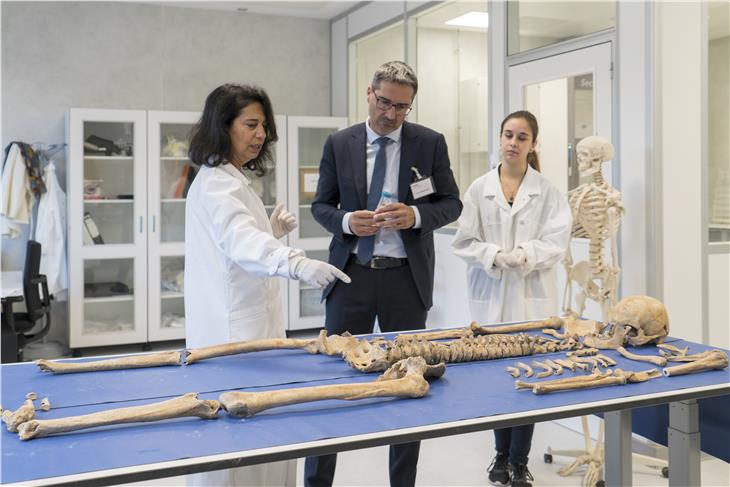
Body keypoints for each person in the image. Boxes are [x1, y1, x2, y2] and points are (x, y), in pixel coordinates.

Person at [184, 83, 350, 486]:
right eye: (251, 125)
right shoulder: (217, 184)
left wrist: (270, 232)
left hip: (247, 329)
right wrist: (295, 261)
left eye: (264, 126)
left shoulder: (228, 179)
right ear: (222, 127)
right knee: (240, 445)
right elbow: (240, 241)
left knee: (258, 438)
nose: (261, 135)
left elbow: (237, 246)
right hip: (236, 338)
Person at [306, 61, 462, 487]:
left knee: (410, 382)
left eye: (403, 107)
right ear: (369, 94)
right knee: (331, 385)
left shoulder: (429, 143)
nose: (391, 114)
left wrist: (414, 214)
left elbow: (451, 203)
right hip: (352, 276)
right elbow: (321, 205)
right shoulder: (340, 143)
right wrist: (344, 223)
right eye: (385, 103)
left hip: (404, 282)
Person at [452, 110, 572, 487]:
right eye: (508, 135)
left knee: (528, 379)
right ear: (499, 139)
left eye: (522, 137)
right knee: (495, 380)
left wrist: (525, 253)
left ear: (533, 144)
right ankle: (501, 455)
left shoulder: (547, 191)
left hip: (532, 296)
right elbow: (464, 241)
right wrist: (493, 255)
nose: (513, 143)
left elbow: (558, 240)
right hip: (490, 296)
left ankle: (520, 461)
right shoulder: (479, 188)